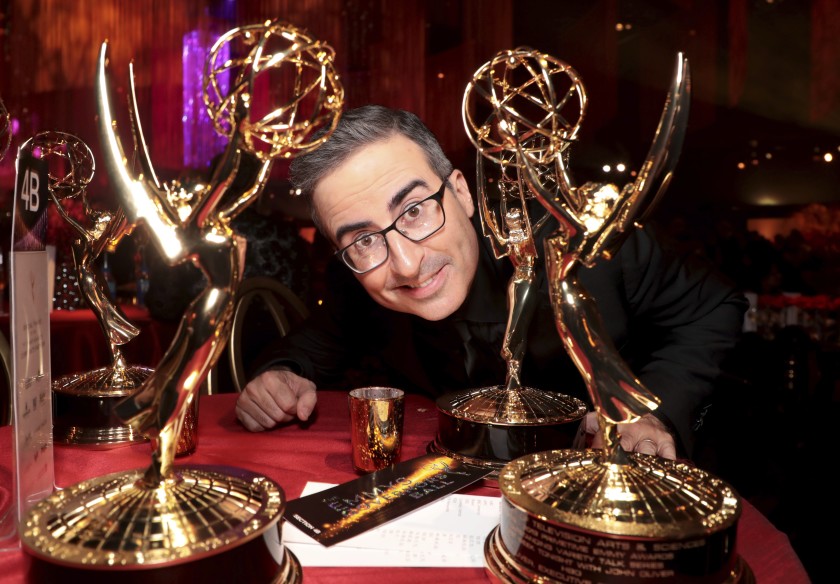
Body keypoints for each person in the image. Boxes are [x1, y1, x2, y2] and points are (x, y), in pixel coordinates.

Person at [235, 105, 747, 460]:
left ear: (460, 192)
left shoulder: (583, 242)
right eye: (363, 239)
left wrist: (648, 410)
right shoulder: (359, 278)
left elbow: (713, 305)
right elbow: (310, 346)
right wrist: (281, 374)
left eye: (414, 210)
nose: (408, 265)